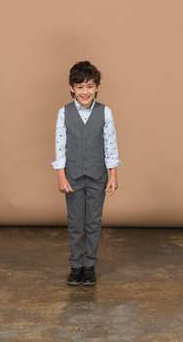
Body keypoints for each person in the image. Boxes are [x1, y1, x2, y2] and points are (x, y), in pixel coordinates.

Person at [52, 61, 121, 286]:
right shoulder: (64, 113)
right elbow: (60, 146)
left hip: (97, 175)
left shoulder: (105, 112)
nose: (85, 92)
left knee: (93, 222)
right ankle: (76, 265)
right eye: (80, 87)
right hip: (72, 176)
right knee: (75, 223)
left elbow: (110, 145)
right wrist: (61, 175)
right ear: (72, 88)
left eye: (89, 86)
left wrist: (113, 175)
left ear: (97, 87)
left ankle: (89, 265)